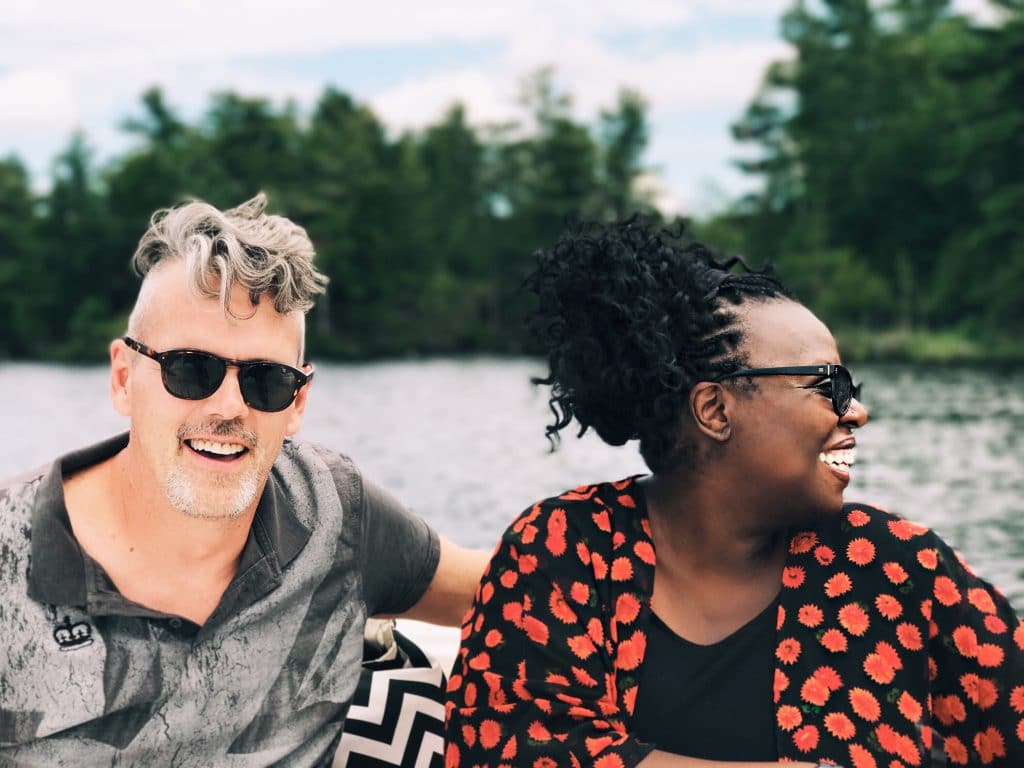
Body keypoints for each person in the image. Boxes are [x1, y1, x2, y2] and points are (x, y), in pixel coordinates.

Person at [444, 219, 1024, 768]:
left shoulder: (897, 564)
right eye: (828, 386)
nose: (858, 412)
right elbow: (510, 752)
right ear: (715, 410)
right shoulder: (565, 550)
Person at [0, 194, 487, 765]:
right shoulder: (11, 556)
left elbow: (512, 592)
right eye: (190, 369)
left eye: (267, 381)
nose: (230, 406)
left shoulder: (336, 515)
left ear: (298, 401)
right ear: (123, 378)